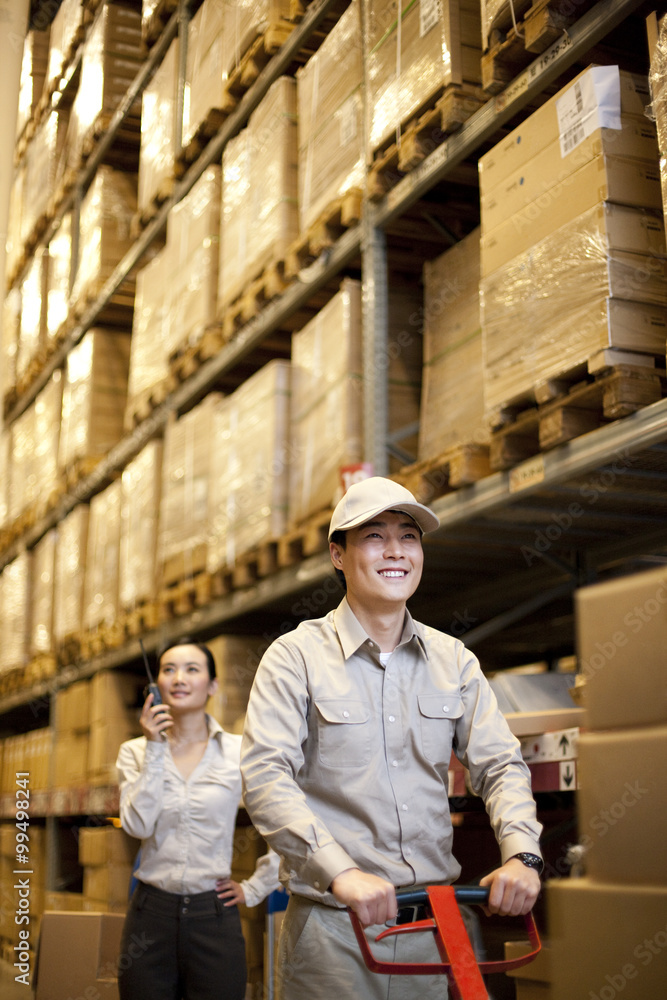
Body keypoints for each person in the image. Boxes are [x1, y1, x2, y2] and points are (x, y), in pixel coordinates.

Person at [240, 476, 543, 999]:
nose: (396, 552)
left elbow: (500, 766)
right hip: (334, 934)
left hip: (436, 927)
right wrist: (340, 873)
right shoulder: (295, 657)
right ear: (338, 555)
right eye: (374, 537)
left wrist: (522, 854)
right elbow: (266, 776)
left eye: (409, 536)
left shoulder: (454, 661)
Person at [116, 639, 280, 1000]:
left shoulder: (239, 751)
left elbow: (285, 821)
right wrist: (155, 747)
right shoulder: (135, 752)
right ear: (155, 684)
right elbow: (137, 827)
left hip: (214, 916)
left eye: (192, 669)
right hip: (150, 916)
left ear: (213, 685)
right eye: (169, 669)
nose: (178, 678)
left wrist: (254, 887)